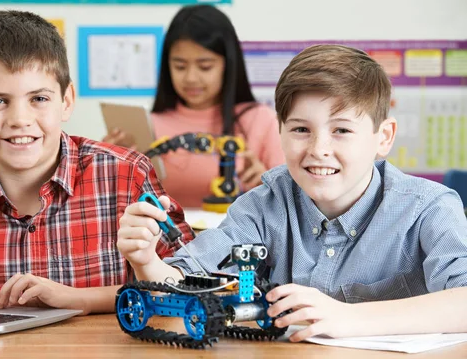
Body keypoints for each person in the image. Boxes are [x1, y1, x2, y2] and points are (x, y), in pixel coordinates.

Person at [117, 44, 467, 341]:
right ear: (280, 131)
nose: (319, 149)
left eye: (342, 129)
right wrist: (147, 260)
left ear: (383, 137)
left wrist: (347, 318)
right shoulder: (263, 205)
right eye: (301, 129)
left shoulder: (428, 208)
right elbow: (186, 285)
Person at [0, 10, 194, 315]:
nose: (19, 120)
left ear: (66, 101)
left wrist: (78, 299)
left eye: (39, 99)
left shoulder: (126, 175)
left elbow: (192, 284)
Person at [103, 5, 285, 207]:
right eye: (179, 66)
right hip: (161, 236)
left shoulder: (260, 120)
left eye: (205, 66)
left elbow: (293, 205)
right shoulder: (146, 125)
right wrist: (110, 165)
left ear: (228, 64)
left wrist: (267, 186)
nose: (191, 78)